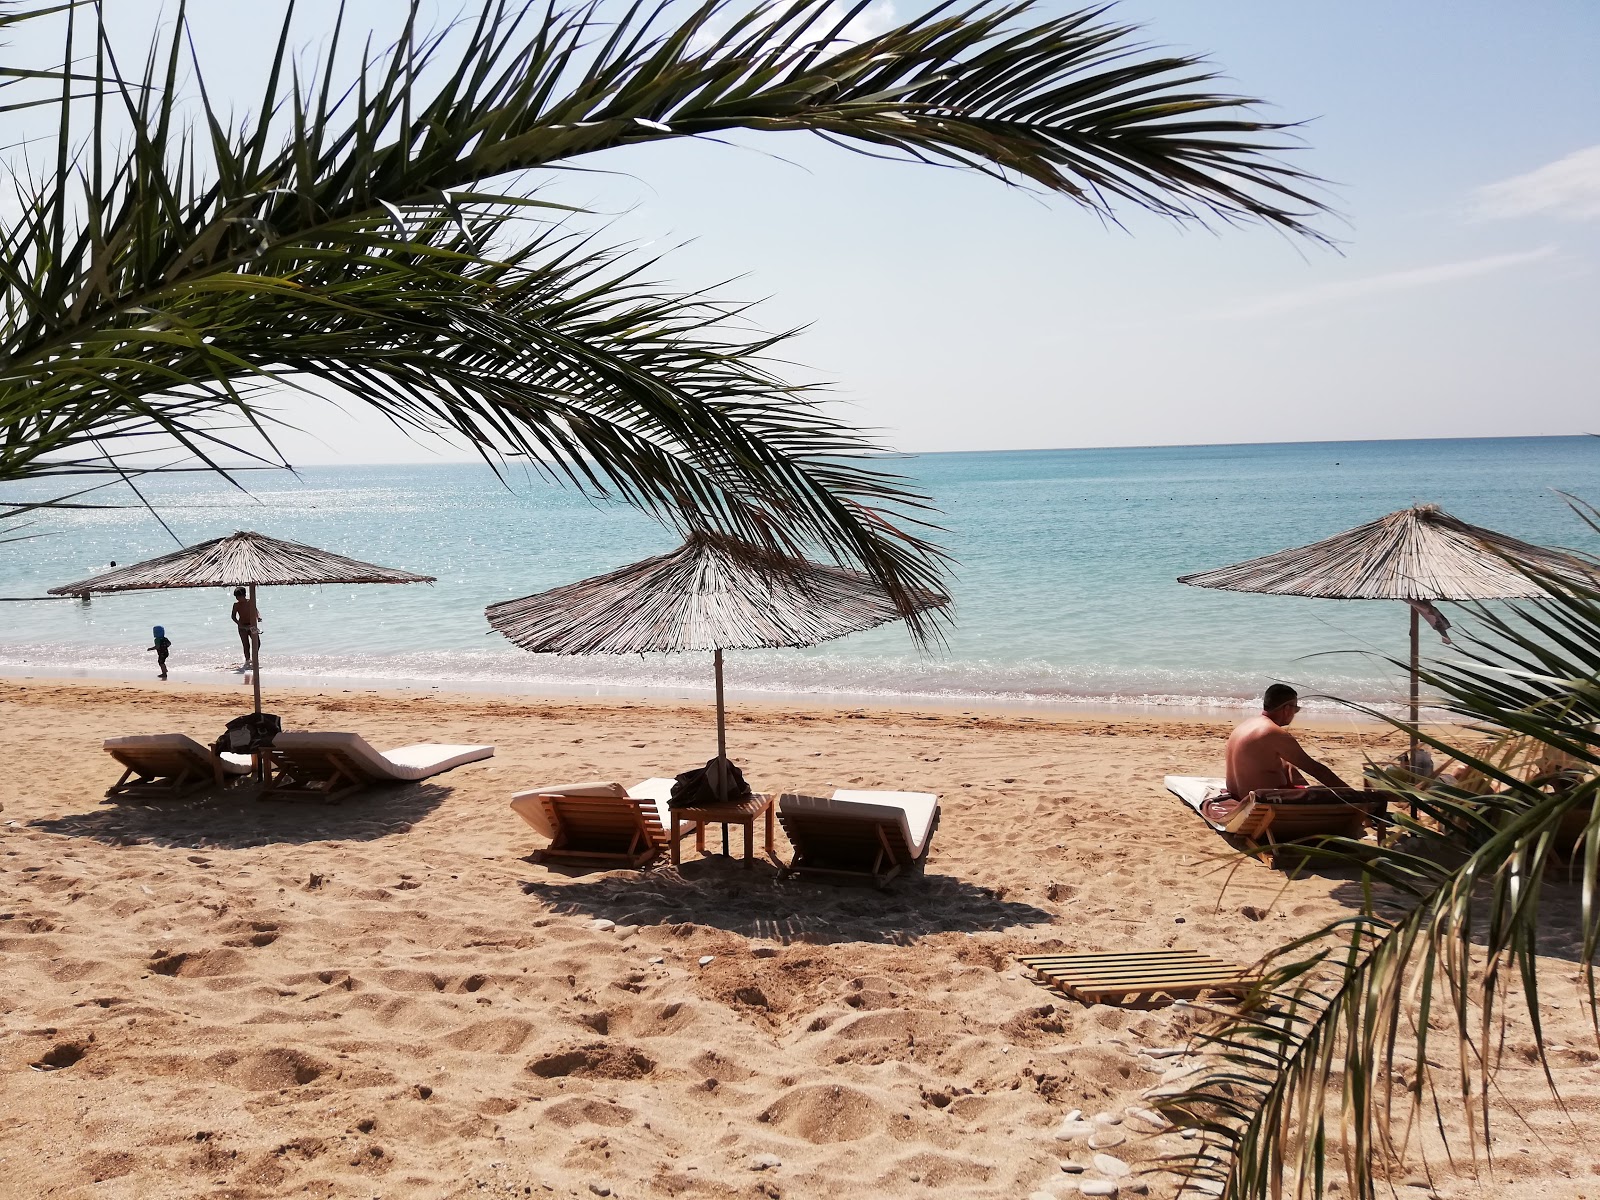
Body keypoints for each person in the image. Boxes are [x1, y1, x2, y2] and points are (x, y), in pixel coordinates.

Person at [1225, 683, 1350, 799]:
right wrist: (1353, 794)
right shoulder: (1273, 732)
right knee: (1328, 793)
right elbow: (1316, 770)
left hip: (1237, 794)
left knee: (1288, 765)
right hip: (1261, 801)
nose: (1295, 713)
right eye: (1296, 709)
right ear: (1287, 709)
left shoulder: (1245, 725)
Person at [230, 587, 261, 669]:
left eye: (239, 597)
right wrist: (239, 624)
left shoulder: (250, 602)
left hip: (252, 625)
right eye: (236, 597)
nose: (237, 599)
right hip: (242, 626)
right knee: (246, 644)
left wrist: (258, 617)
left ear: (244, 595)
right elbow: (233, 616)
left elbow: (255, 610)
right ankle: (247, 660)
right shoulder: (236, 605)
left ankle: (254, 658)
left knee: (257, 642)